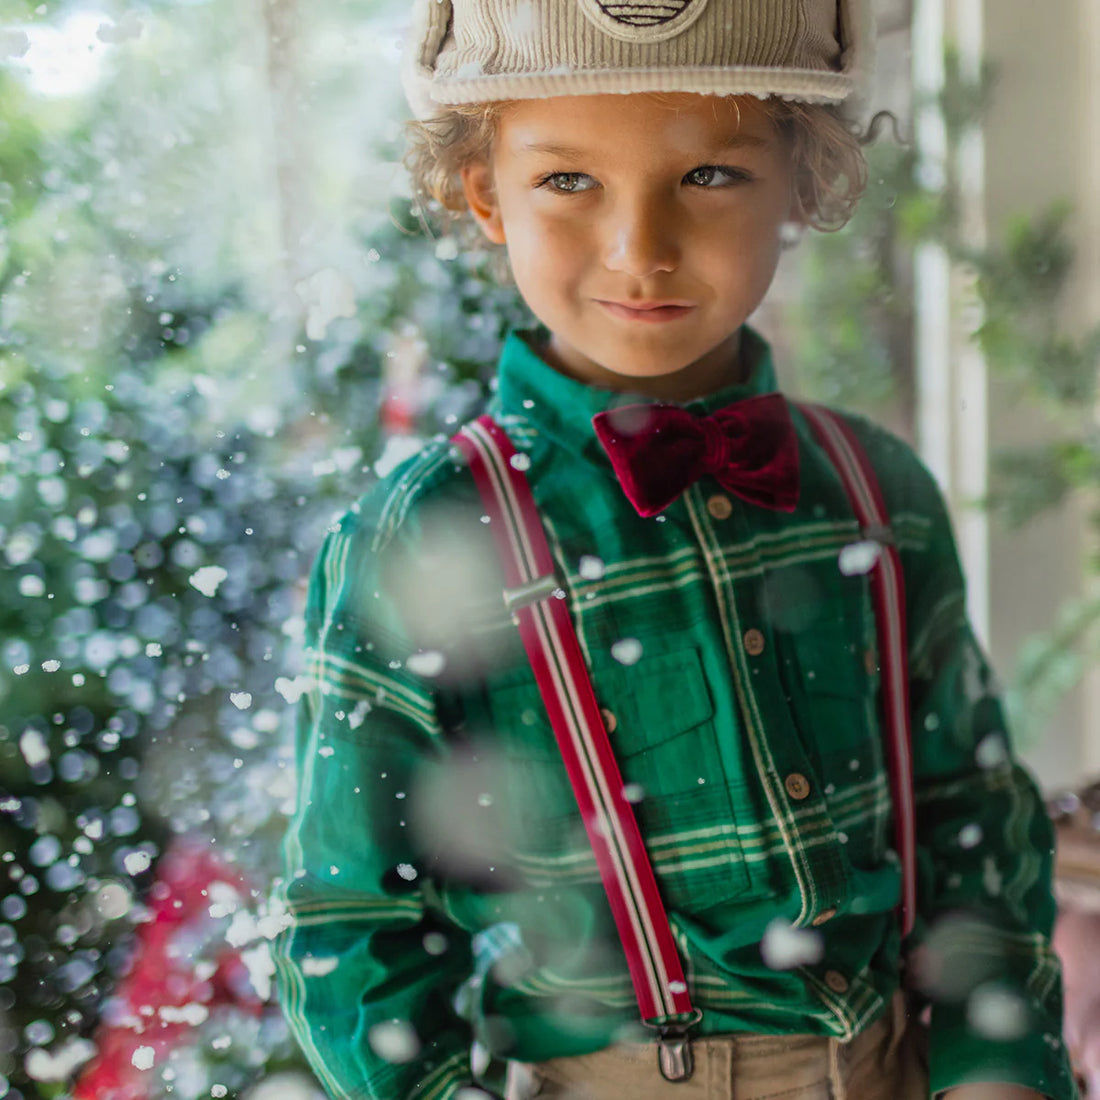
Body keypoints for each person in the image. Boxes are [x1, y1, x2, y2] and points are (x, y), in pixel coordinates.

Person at [272, 2, 1077, 1098]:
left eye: (708, 177)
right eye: (567, 180)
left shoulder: (876, 490)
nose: (638, 247)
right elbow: (351, 912)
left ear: (797, 180)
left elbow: (971, 824)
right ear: (481, 193)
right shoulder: (420, 538)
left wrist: (997, 1067)